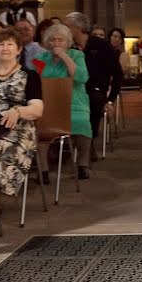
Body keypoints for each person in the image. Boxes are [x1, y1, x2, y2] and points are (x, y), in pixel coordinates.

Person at [0, 28, 43, 234]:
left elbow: (37, 109)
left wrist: (18, 110)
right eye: (0, 44)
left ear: (18, 49)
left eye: (9, 44)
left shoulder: (29, 75)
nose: (5, 48)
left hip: (18, 129)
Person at [34, 24, 92, 181]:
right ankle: (44, 170)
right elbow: (36, 81)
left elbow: (81, 78)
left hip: (75, 103)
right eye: (52, 40)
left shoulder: (77, 55)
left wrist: (65, 57)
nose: (56, 44)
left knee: (81, 122)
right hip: (50, 104)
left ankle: (83, 164)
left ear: (68, 42)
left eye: (60, 40)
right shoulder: (40, 58)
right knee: (41, 127)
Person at [64, 12, 122, 159]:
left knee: (94, 100)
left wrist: (110, 100)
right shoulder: (67, 47)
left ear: (77, 28)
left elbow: (117, 74)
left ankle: (87, 141)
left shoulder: (102, 46)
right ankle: (63, 142)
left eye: (67, 26)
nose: (63, 30)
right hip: (72, 90)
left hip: (94, 91)